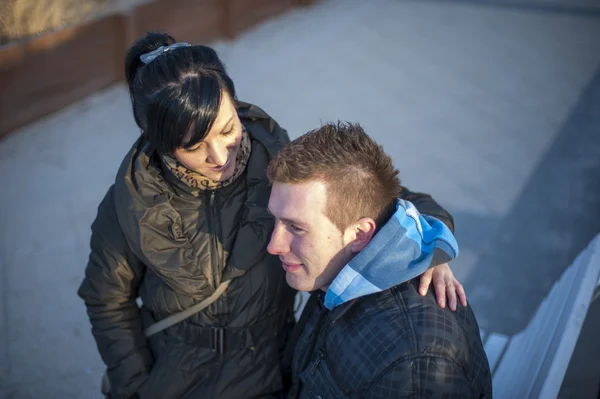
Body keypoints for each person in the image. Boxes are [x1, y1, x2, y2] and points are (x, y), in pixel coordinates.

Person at [78, 32, 466, 399]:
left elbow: (386, 198)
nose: (220, 156)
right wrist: (135, 382)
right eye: (194, 146)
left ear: (235, 103)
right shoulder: (129, 202)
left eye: (227, 129)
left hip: (273, 372)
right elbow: (107, 300)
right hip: (177, 378)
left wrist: (428, 246)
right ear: (161, 144)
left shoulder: (279, 161)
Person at [267, 122, 492, 398]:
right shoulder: (339, 264)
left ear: (360, 234)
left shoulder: (414, 364)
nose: (273, 245)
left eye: (296, 227)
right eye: (275, 220)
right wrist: (432, 246)